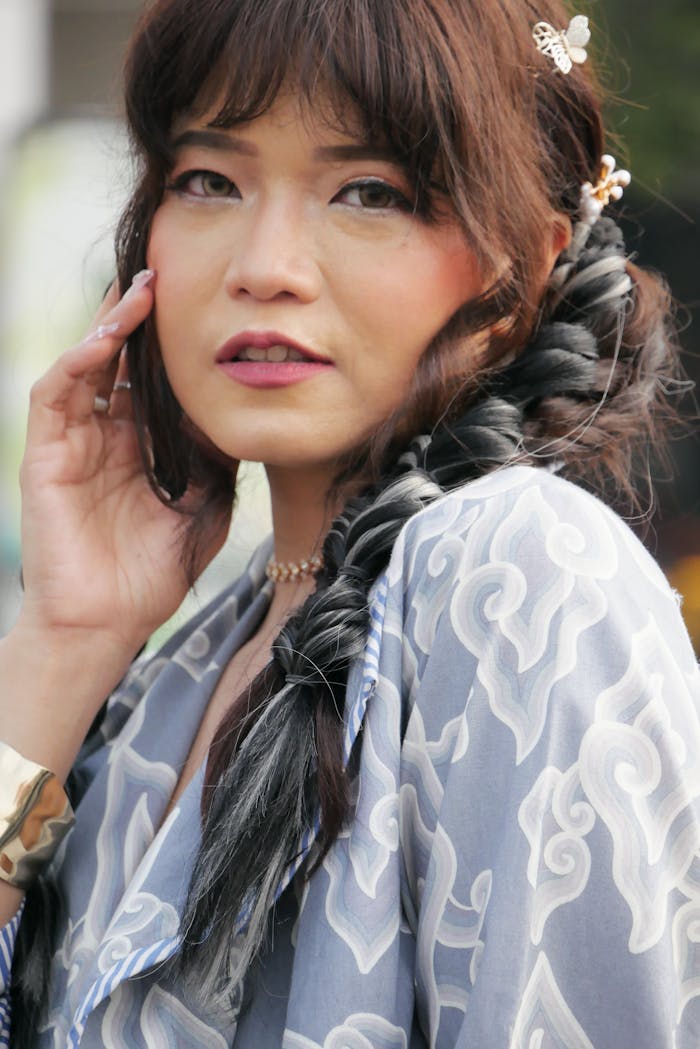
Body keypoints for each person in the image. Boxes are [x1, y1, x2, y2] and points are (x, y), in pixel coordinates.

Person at [1, 0, 699, 1045]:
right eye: (209, 180)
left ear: (521, 269)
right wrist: (67, 638)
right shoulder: (186, 657)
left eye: (368, 191)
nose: (265, 263)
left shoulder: (521, 573)